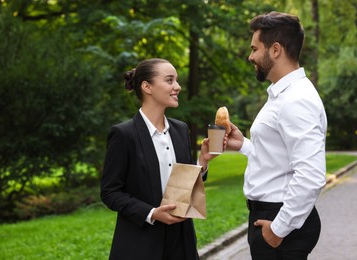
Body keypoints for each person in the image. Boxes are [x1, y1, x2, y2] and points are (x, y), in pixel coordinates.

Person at [226, 11, 327, 259]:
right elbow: (278, 157)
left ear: (275, 50)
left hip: (279, 223)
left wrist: (278, 229)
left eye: (254, 48)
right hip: (271, 216)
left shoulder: (296, 100)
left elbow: (311, 175)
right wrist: (244, 146)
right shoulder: (281, 94)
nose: (250, 56)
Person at [100, 58, 217, 259]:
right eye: (170, 80)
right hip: (140, 244)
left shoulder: (180, 129)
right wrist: (152, 213)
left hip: (182, 242)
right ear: (147, 87)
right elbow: (110, 192)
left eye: (177, 81)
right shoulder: (123, 135)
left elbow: (182, 185)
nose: (177, 87)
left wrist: (203, 161)